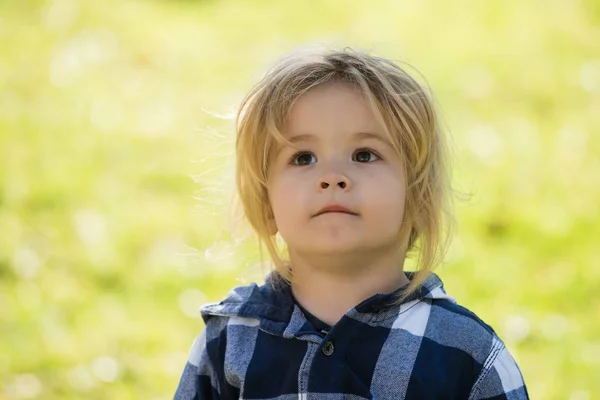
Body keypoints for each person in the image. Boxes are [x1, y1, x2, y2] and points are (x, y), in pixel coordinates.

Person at [174, 46, 529, 399]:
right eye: (303, 157)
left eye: (364, 155)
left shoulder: (465, 357)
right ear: (267, 205)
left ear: (417, 198)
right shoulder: (226, 344)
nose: (332, 177)